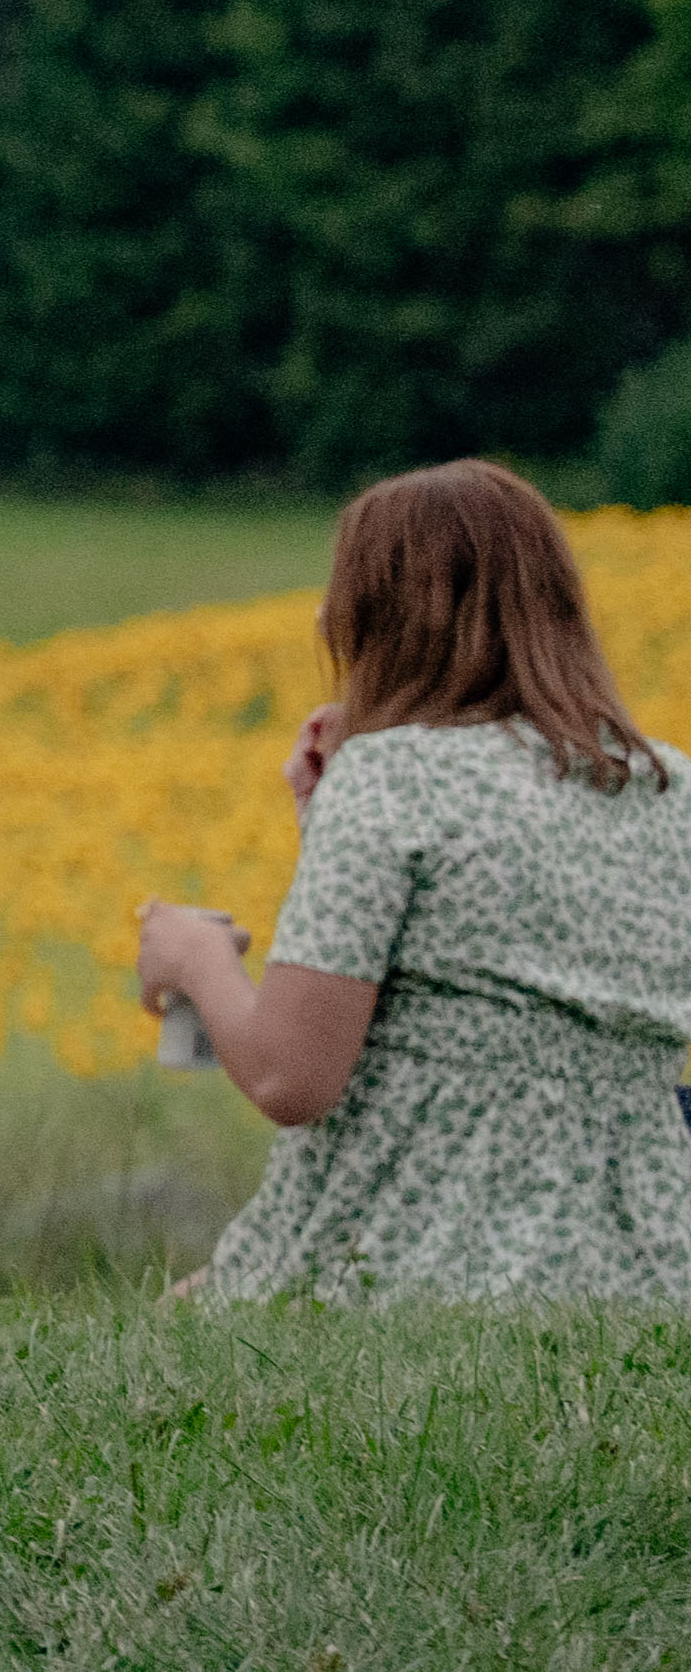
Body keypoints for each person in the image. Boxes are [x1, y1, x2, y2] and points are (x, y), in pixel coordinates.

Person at [135, 459, 691, 1309]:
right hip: (644, 1263)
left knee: (181, 1315)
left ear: (380, 619)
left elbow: (295, 1077)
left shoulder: (395, 777)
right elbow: (490, 968)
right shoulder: (669, 789)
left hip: (425, 1247)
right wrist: (328, 825)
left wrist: (196, 958)